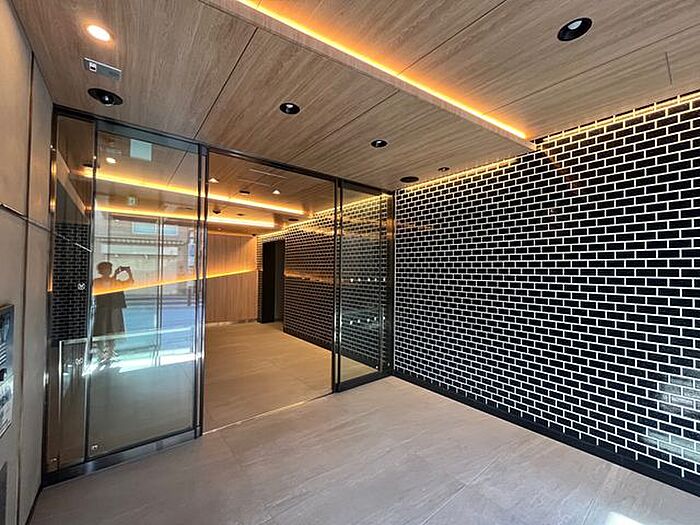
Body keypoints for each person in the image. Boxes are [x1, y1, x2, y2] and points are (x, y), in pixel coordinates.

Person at [92, 261, 134, 363]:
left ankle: (110, 354)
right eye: (106, 269)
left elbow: (129, 283)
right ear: (101, 271)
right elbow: (106, 289)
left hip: (113, 310)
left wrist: (128, 273)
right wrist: (115, 276)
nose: (108, 271)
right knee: (101, 332)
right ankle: (101, 355)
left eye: (110, 269)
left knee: (112, 332)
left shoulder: (115, 281)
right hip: (102, 310)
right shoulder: (96, 281)